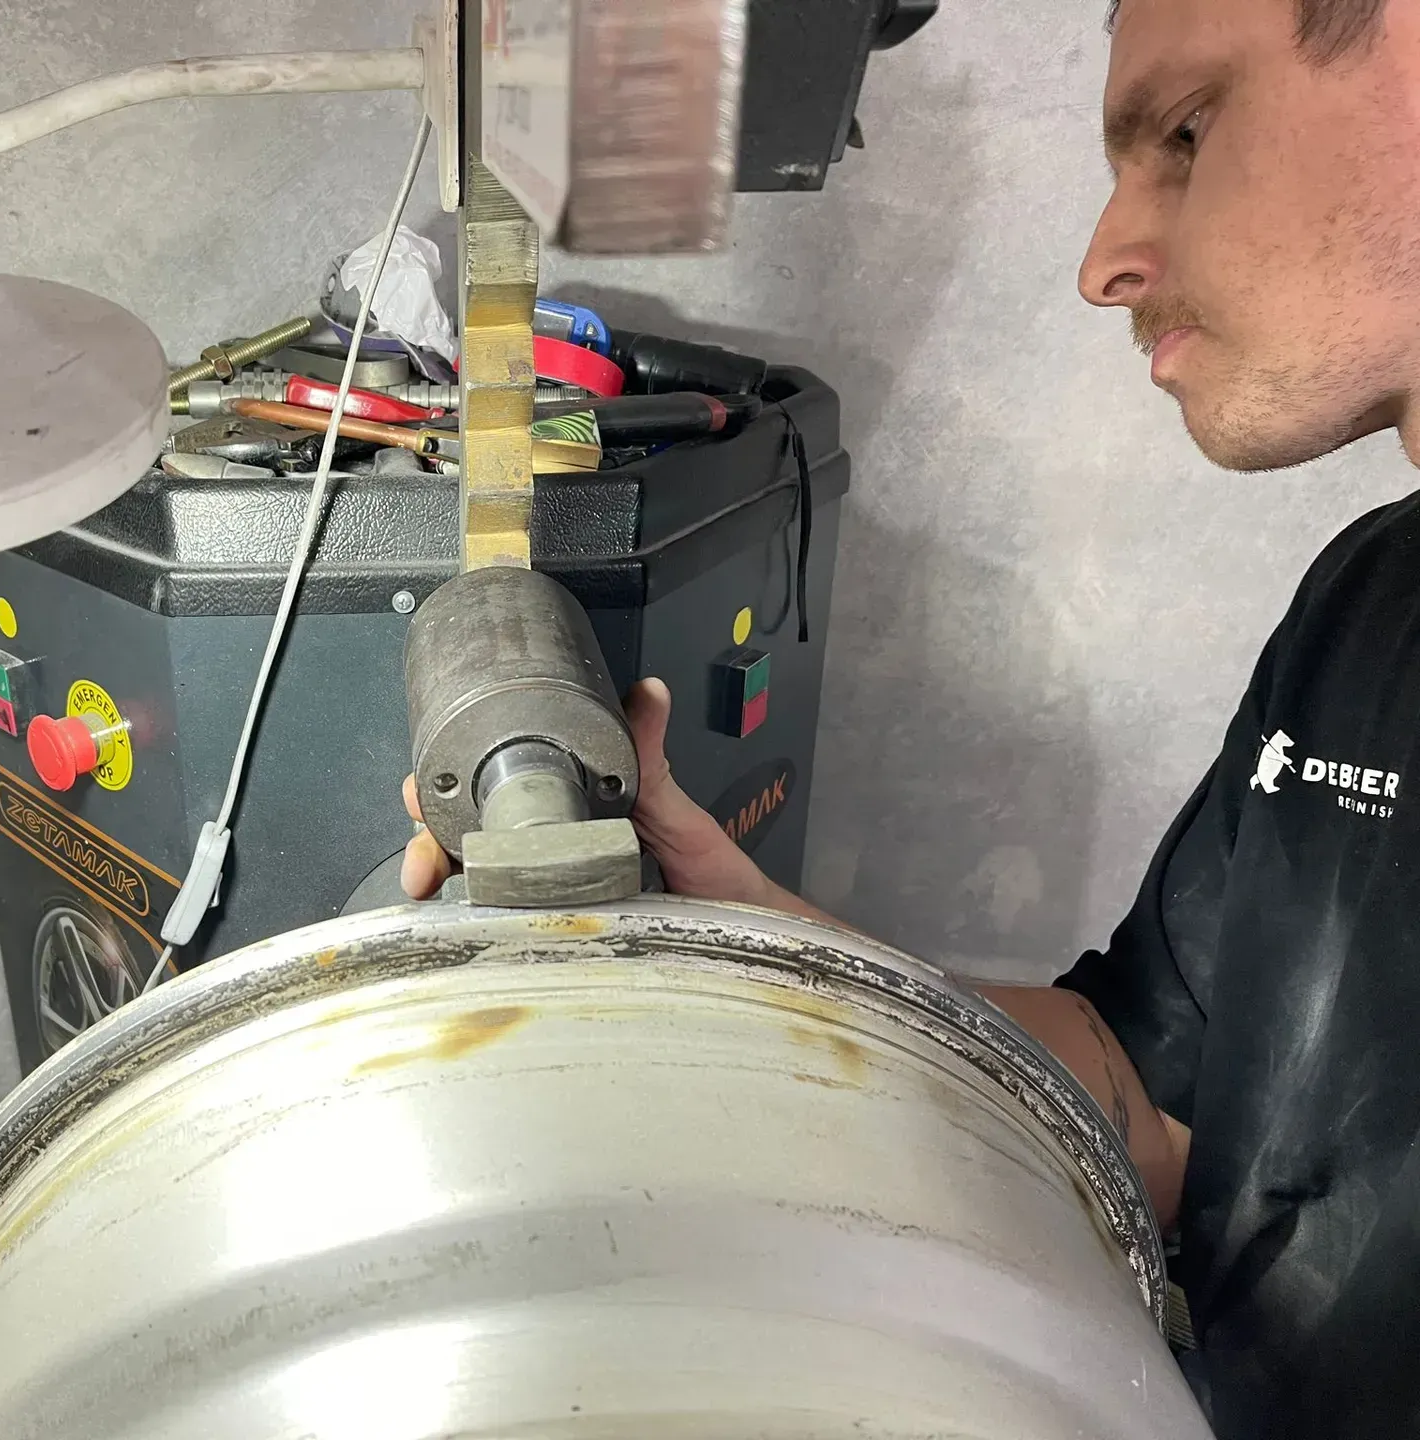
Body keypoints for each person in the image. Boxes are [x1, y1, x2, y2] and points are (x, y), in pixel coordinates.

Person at [403, 0, 1420, 1434]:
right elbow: (1146, 1103)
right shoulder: (1370, 604)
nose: (1103, 264)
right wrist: (735, 937)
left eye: (1189, 131)